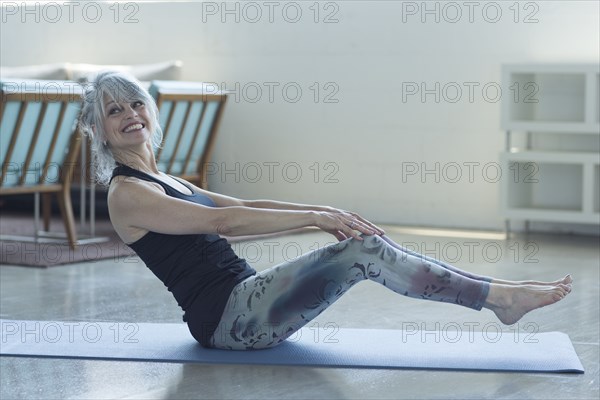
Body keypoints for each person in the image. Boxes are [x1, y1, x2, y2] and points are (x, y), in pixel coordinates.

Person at [79, 71, 573, 350]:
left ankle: (502, 295)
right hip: (230, 321)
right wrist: (318, 220)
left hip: (246, 300)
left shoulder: (169, 179)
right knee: (362, 253)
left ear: (150, 110)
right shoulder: (127, 193)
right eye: (114, 111)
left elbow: (245, 206)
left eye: (135, 104)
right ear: (99, 131)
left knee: (364, 247)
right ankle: (500, 299)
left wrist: (322, 208)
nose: (130, 116)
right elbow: (221, 223)